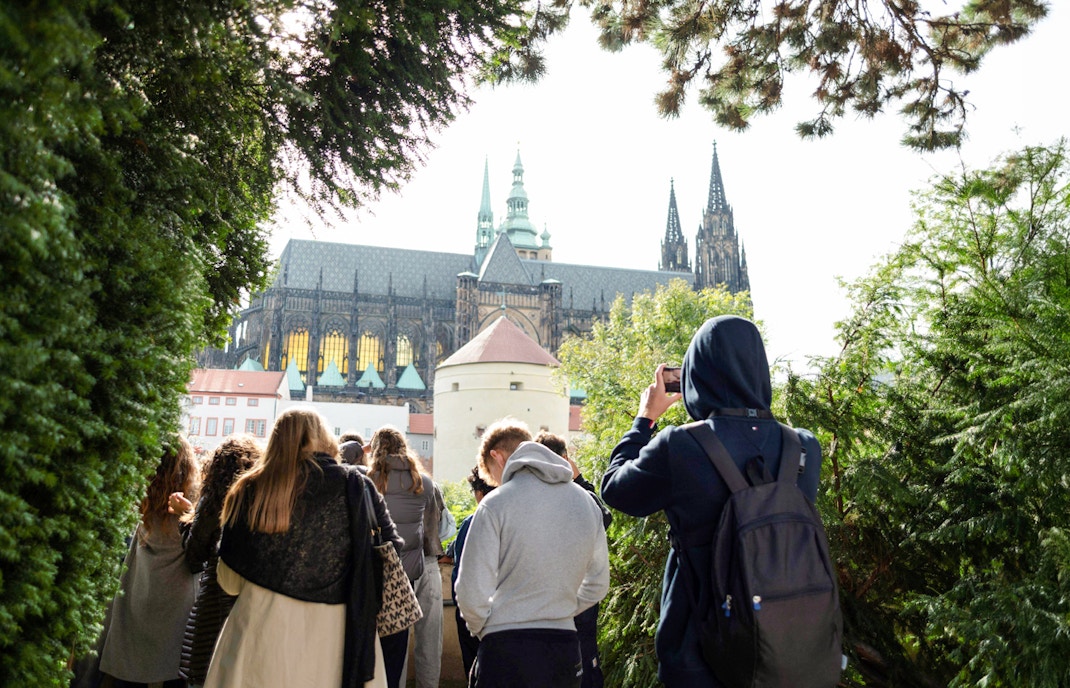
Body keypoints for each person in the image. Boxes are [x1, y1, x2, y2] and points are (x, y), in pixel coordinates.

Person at [600, 315, 824, 687]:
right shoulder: (803, 446)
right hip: (786, 647)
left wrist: (645, 419)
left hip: (698, 650)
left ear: (695, 374)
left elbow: (616, 490)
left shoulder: (682, 445)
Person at [205, 407, 396, 688]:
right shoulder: (355, 486)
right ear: (324, 438)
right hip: (337, 638)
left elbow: (229, 582)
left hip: (259, 636)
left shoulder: (247, 489)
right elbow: (388, 551)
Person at [456, 419, 610, 688]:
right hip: (563, 644)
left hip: (505, 643)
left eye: (491, 474)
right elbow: (598, 584)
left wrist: (486, 628)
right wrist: (558, 610)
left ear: (497, 458)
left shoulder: (495, 503)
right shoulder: (586, 502)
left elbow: (470, 590)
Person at [98, 437, 201, 688]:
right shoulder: (191, 506)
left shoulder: (142, 501)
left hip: (139, 596)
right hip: (177, 606)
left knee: (132, 668)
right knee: (170, 670)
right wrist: (190, 514)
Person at [166, 435, 261, 688]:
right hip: (251, 601)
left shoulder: (213, 501)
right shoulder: (261, 501)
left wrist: (183, 518)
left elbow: (194, 558)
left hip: (214, 600)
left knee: (203, 672)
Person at [534, 432, 611, 688]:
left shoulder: (532, 493)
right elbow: (603, 518)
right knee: (585, 664)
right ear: (565, 459)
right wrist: (579, 479)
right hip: (579, 598)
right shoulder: (578, 495)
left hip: (544, 599)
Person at [367, 425, 436, 688]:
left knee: (369, 650)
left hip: (372, 575)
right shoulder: (423, 483)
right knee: (396, 648)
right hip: (405, 576)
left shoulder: (367, 480)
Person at [445, 467, 496, 679]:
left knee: (475, 670)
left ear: (479, 492)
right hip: (501, 611)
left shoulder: (471, 522)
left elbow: (462, 567)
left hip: (473, 611)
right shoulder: (512, 517)